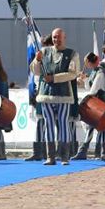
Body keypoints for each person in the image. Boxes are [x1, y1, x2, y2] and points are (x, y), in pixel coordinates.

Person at [30, 28, 80, 166]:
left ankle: (64, 155)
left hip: (63, 94)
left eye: (59, 37)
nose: (56, 40)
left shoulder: (72, 54)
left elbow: (73, 73)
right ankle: (50, 156)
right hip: (46, 94)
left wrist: (54, 78)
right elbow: (35, 70)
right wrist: (37, 60)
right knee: (49, 124)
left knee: (64, 124)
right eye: (54, 37)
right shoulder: (44, 52)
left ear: (64, 38)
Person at [72, 51, 105, 160]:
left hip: (101, 103)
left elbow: (93, 90)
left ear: (89, 62)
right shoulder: (95, 71)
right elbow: (90, 87)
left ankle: (103, 153)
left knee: (102, 128)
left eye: (86, 63)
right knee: (92, 126)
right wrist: (84, 79)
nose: (86, 65)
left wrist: (84, 100)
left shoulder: (100, 72)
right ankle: (84, 151)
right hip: (97, 102)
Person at [26, 33, 53, 161]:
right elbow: (35, 72)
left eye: (45, 45)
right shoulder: (40, 58)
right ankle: (38, 151)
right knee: (40, 122)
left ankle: (55, 151)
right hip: (41, 93)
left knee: (55, 123)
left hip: (53, 93)